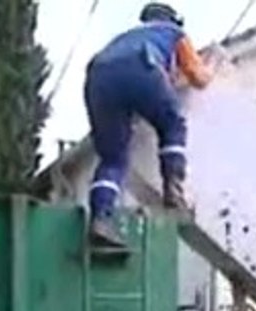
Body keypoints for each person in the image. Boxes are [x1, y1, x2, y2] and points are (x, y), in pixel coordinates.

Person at [83, 3, 215, 250]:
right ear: (173, 20)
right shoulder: (174, 33)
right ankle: (173, 191)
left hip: (97, 78)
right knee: (172, 123)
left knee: (113, 158)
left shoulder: (125, 38)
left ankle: (101, 218)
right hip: (142, 67)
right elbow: (197, 78)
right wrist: (210, 70)